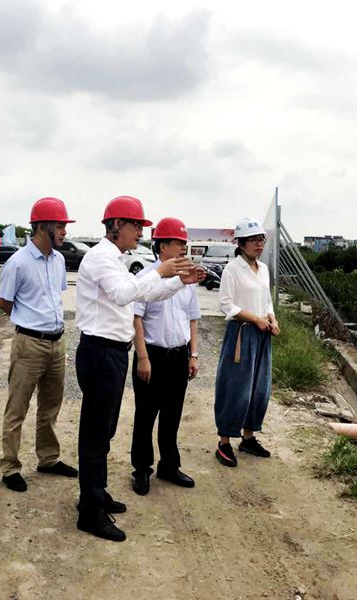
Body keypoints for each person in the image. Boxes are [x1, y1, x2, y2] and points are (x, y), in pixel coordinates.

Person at [74, 196, 204, 542]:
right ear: (116, 224)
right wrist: (161, 272)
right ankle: (89, 511)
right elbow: (122, 295)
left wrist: (179, 282)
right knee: (95, 433)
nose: (140, 233)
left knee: (105, 429)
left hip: (113, 352)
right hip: (100, 351)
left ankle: (96, 493)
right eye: (136, 225)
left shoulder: (117, 259)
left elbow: (142, 295)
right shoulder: (101, 257)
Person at [0, 197, 78, 492]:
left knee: (50, 406)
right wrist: (28, 321)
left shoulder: (58, 261)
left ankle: (48, 459)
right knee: (17, 407)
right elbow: (4, 302)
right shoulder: (18, 262)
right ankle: (10, 467)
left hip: (56, 343)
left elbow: (53, 297)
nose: (64, 231)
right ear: (42, 227)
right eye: (60, 225)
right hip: (29, 343)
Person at [131, 217, 201, 495]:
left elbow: (192, 318)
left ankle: (169, 466)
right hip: (153, 356)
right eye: (178, 243)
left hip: (178, 356)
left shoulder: (188, 279)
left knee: (172, 415)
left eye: (185, 242)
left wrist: (193, 355)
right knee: (145, 415)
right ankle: (141, 469)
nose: (183, 248)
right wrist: (143, 357)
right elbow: (136, 319)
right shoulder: (146, 278)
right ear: (162, 246)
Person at [214, 218, 280, 468]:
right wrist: (254, 319)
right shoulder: (232, 269)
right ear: (241, 244)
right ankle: (224, 442)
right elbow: (225, 304)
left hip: (263, 334)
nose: (258, 244)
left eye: (261, 239)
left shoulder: (263, 269)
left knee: (259, 388)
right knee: (236, 387)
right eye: (253, 240)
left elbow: (267, 300)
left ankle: (249, 437)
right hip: (242, 333)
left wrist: (272, 318)